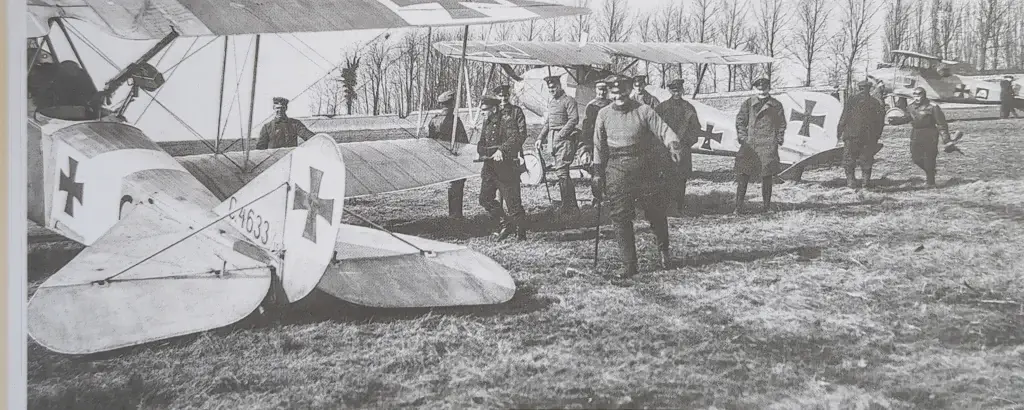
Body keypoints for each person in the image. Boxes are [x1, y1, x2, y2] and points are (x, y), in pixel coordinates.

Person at [592, 75, 683, 278]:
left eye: (623, 93)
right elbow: (598, 146)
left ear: (629, 91)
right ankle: (629, 264)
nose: (619, 97)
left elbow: (664, 129)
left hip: (645, 168)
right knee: (620, 217)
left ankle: (664, 252)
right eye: (615, 94)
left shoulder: (643, 110)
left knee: (656, 212)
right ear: (610, 93)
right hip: (616, 169)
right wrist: (597, 174)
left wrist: (673, 144)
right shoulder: (603, 114)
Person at [478, 87, 529, 240]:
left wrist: (501, 150)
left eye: (484, 110)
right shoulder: (486, 122)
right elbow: (481, 142)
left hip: (505, 168)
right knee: (485, 198)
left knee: (513, 203)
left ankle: (521, 232)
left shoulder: (506, 120)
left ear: (493, 109)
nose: (482, 113)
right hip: (489, 167)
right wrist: (482, 152)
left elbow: (515, 138)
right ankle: (506, 223)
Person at [733, 78, 787, 214]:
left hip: (768, 145)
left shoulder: (776, 105)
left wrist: (778, 140)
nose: (762, 91)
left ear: (769, 88)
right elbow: (740, 122)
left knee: (767, 177)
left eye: (764, 88)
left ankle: (766, 207)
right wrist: (743, 138)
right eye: (759, 89)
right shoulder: (748, 104)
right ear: (754, 89)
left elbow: (781, 124)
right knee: (743, 176)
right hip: (750, 145)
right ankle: (738, 207)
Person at [889, 87, 952, 187]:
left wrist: (946, 139)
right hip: (916, 133)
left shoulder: (933, 107)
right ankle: (930, 171)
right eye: (915, 95)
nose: (917, 97)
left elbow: (941, 124)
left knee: (929, 158)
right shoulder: (911, 106)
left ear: (924, 95)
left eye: (919, 95)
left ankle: (930, 181)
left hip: (929, 133)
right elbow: (908, 118)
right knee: (916, 158)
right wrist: (896, 121)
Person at [654, 79, 701, 212]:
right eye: (674, 91)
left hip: (683, 149)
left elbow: (695, 129)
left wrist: (686, 143)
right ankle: (666, 207)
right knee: (665, 177)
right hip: (664, 149)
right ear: (669, 91)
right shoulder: (662, 108)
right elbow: (654, 127)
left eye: (679, 91)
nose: (677, 93)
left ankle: (679, 206)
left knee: (681, 179)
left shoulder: (688, 108)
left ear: (682, 91)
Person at [536, 74, 581, 214]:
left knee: (562, 172)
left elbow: (574, 119)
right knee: (560, 172)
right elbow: (549, 123)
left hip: (565, 140)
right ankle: (569, 204)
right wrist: (540, 138)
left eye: (554, 87)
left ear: (559, 86)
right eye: (549, 88)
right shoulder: (552, 103)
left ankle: (569, 206)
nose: (552, 90)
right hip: (553, 139)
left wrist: (561, 134)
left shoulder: (569, 101)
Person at [426, 90, 471, 218]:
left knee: (452, 186)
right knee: (457, 185)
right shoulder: (455, 121)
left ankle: (453, 214)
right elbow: (464, 142)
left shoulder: (434, 120)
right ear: (451, 104)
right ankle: (455, 215)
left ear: (441, 105)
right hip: (455, 158)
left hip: (440, 158)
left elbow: (430, 141)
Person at [838, 79, 887, 189]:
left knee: (849, 159)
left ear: (859, 88)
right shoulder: (875, 102)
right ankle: (866, 184)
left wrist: (839, 132)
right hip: (869, 137)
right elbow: (880, 121)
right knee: (867, 159)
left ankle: (851, 183)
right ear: (869, 89)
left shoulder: (851, 100)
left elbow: (844, 118)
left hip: (852, 136)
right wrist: (877, 135)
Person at [580, 79, 612, 205]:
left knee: (609, 170)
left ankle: (609, 197)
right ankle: (597, 197)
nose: (602, 92)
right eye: (599, 89)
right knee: (596, 171)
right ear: (596, 90)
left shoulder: (611, 105)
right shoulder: (591, 106)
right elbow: (586, 127)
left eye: (604, 90)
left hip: (609, 143)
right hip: (595, 143)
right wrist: (586, 146)